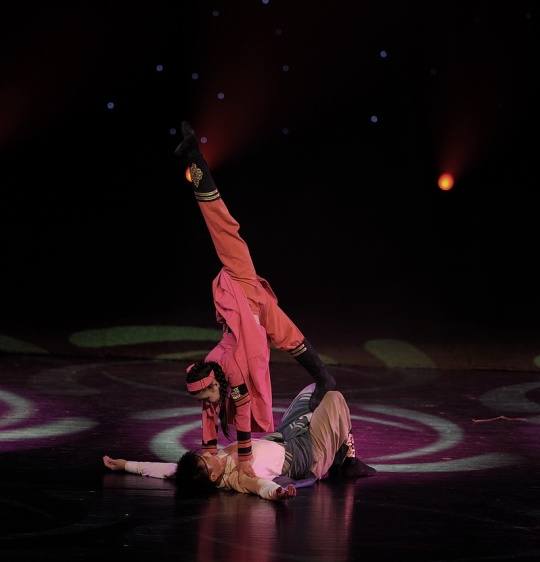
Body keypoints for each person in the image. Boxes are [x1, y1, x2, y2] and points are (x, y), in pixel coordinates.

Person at [174, 122, 336, 478]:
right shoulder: (217, 371)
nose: (208, 403)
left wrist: (244, 461)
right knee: (290, 337)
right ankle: (325, 378)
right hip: (253, 313)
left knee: (223, 227)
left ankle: (195, 158)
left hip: (243, 288)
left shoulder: (240, 273)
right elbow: (213, 411)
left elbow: (220, 224)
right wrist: (210, 453)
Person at [103, 385, 376, 501]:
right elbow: (259, 487)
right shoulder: (236, 477)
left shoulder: (212, 465)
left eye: (201, 454)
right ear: (212, 475)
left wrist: (125, 465)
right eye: (205, 460)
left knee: (315, 388)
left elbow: (170, 470)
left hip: (286, 434)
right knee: (333, 396)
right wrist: (277, 493)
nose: (207, 454)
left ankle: (337, 447)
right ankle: (347, 457)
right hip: (308, 453)